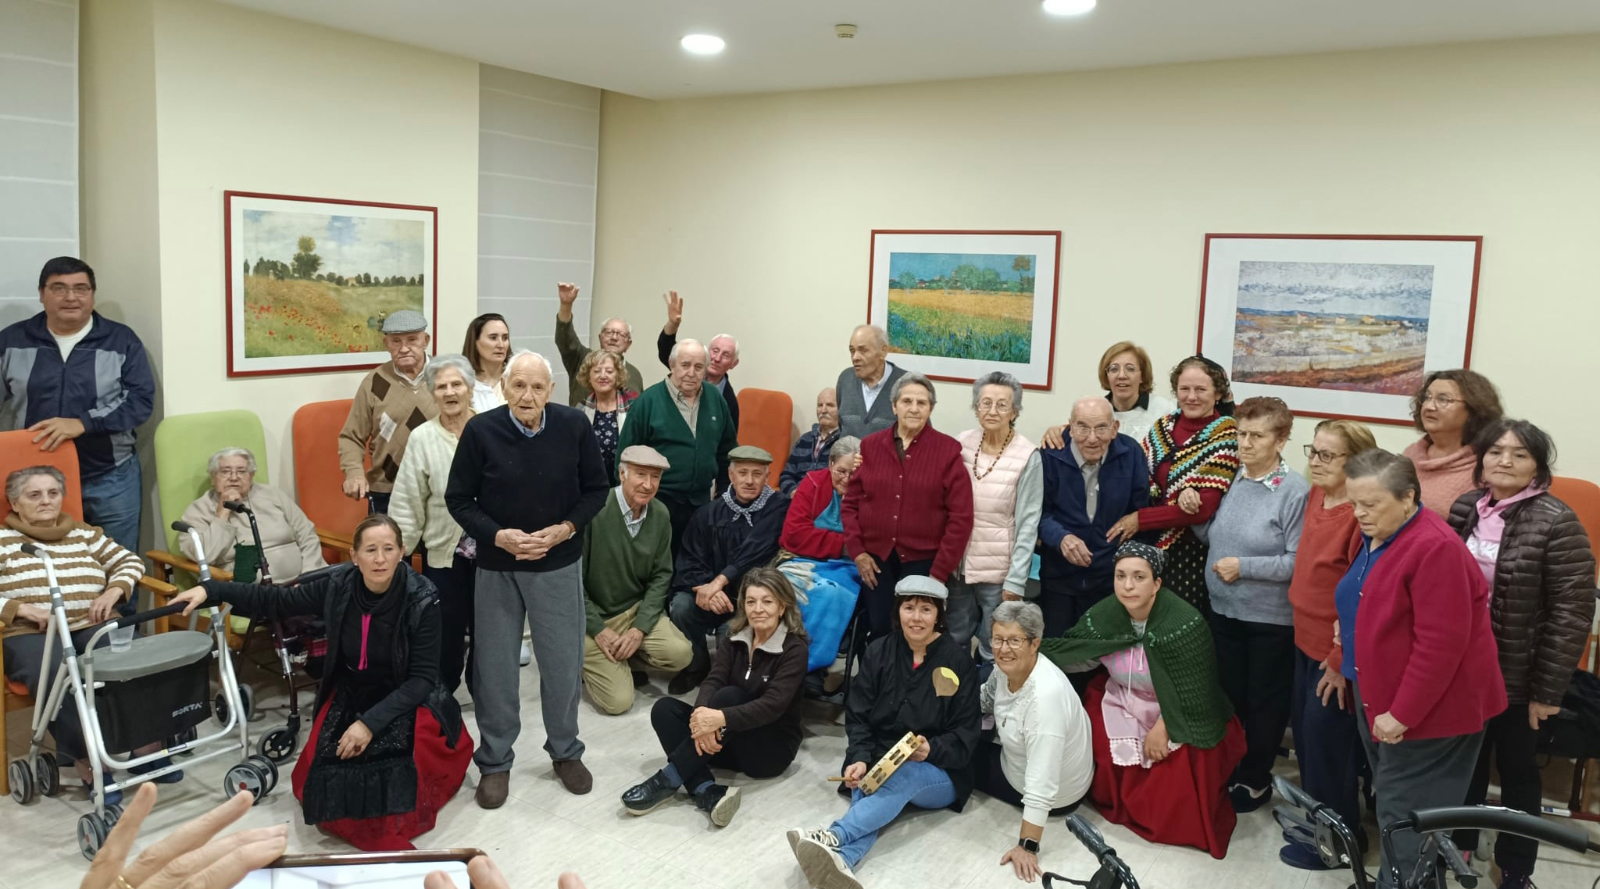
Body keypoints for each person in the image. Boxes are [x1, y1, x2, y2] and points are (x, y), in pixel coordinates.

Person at [171, 514, 472, 851]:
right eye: (370, 549)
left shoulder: (422, 597)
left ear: (402, 551)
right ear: (354, 556)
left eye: (389, 548)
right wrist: (211, 589)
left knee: (389, 795)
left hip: (405, 695)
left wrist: (368, 725)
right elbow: (276, 601)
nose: (380, 558)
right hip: (353, 688)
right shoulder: (338, 585)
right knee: (327, 773)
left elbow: (421, 680)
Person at [445, 350, 609, 805]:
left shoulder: (574, 427)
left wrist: (566, 529)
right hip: (499, 565)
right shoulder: (481, 431)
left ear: (551, 392)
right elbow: (458, 500)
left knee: (562, 663)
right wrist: (499, 536)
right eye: (519, 385)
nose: (528, 395)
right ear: (504, 387)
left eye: (538, 387)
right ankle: (495, 761)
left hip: (558, 563)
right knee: (494, 668)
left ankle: (565, 751)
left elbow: (597, 489)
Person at [1336, 449, 1505, 888]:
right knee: (1399, 812)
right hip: (1377, 692)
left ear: (1409, 496)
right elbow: (1367, 594)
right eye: (1354, 502)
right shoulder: (1375, 533)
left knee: (1408, 825)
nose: (1359, 513)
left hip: (1430, 713)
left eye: (1371, 504)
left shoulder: (1434, 548)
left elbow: (1441, 645)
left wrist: (1403, 715)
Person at [1447, 420, 1595, 889]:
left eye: (1519, 454)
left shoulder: (1556, 519)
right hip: (1460, 669)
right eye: (1495, 452)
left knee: (1516, 771)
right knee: (1463, 764)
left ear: (1538, 466)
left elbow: (1573, 613)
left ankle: (1515, 867)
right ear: (1481, 459)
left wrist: (1548, 691)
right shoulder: (1466, 507)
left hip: (1519, 675)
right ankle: (1460, 845)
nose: (1504, 462)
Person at [1040, 542, 1246, 858]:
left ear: (1157, 583)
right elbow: (1080, 654)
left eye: (1139, 577)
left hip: (1176, 707)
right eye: (1120, 576)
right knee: (1094, 733)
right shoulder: (1106, 613)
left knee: (1178, 765)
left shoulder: (1184, 623)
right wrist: (1035, 656)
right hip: (1124, 697)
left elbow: (1197, 687)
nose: (1127, 586)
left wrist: (1164, 727)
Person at [787, 576, 981, 889]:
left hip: (939, 770)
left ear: (939, 616)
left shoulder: (959, 663)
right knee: (871, 781)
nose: (916, 618)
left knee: (905, 773)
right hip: (881, 760)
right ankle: (842, 861)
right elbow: (859, 715)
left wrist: (932, 749)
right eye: (909, 608)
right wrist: (860, 758)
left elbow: (967, 733)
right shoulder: (879, 651)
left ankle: (832, 835)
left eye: (926, 610)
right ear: (897, 611)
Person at [0, 465, 159, 800]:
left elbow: (129, 562)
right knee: (60, 673)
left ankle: (147, 748)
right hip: (31, 632)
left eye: (53, 493)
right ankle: (88, 762)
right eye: (34, 494)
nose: (46, 500)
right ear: (14, 503)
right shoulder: (4, 541)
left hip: (90, 621)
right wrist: (20, 609)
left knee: (139, 657)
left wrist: (113, 591)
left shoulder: (85, 533)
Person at [623, 567, 809, 827]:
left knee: (730, 696)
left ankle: (667, 780)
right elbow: (713, 680)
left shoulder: (794, 648)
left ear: (782, 606)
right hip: (726, 741)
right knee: (664, 710)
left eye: (767, 602)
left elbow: (772, 706)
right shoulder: (735, 638)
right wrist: (701, 718)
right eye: (751, 601)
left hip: (769, 750)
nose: (758, 609)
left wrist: (717, 718)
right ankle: (706, 790)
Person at [1197, 396, 1308, 813]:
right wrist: (1195, 515)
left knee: (1264, 704)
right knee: (1231, 699)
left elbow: (1298, 562)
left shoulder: (1293, 491)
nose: (1245, 443)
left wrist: (1244, 567)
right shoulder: (1234, 479)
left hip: (1269, 620)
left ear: (1280, 440)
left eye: (1257, 436)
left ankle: (1256, 779)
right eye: (1241, 434)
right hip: (1224, 611)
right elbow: (1214, 538)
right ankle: (1230, 769)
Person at [0, 257, 155, 552]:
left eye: (80, 288)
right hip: (33, 481)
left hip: (110, 476)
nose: (71, 297)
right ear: (41, 293)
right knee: (39, 569)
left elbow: (140, 401)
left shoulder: (122, 340)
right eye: (59, 288)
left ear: (92, 294)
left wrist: (85, 422)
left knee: (118, 566)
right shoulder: (11, 340)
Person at [1278, 418, 1378, 870]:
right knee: (1308, 741)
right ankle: (1321, 826)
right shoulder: (1318, 493)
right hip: (1303, 638)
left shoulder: (1360, 516)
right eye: (1313, 451)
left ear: (1354, 462)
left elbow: (1363, 596)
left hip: (1334, 653)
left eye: (1327, 455)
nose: (1314, 462)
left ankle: (1341, 842)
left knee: (1330, 748)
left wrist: (1341, 661)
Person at [843, 371, 974, 639]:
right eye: (907, 401)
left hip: (925, 561)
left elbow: (961, 518)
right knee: (880, 628)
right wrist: (857, 552)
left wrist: (939, 572)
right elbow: (850, 505)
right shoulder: (870, 446)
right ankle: (879, 681)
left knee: (917, 634)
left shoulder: (948, 450)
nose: (914, 408)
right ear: (894, 406)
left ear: (931, 408)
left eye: (922, 403)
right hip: (875, 560)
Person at [1107, 356, 1239, 613]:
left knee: (1177, 630)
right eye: (1184, 389)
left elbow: (1202, 509)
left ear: (1217, 393)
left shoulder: (1225, 435)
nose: (1191, 397)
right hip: (1149, 546)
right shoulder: (1163, 427)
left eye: (1200, 390)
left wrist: (1140, 519)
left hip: (1191, 555)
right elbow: (1142, 478)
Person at [977, 601, 1094, 883]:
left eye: (1015, 640)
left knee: (957, 754)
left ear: (1035, 643)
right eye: (998, 639)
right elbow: (985, 699)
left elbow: (1042, 784)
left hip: (1057, 797)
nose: (1003, 649)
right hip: (1030, 761)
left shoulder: (1044, 701)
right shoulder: (1007, 667)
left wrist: (1028, 846)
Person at [666, 446, 788, 694]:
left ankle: (722, 677)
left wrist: (720, 582)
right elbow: (689, 560)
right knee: (681, 606)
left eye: (757, 474)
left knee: (728, 638)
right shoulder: (709, 512)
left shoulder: (779, 508)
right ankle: (695, 666)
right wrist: (710, 589)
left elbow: (755, 551)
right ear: (731, 476)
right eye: (743, 473)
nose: (750, 480)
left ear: (767, 477)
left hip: (750, 600)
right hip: (712, 596)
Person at [580, 445, 692, 714]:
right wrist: (598, 629)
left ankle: (627, 655)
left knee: (681, 654)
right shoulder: (593, 510)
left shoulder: (660, 514)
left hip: (633, 610)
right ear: (622, 473)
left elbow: (661, 575)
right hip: (591, 618)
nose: (648, 484)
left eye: (655, 477)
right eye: (640, 475)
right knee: (618, 703)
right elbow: (572, 583)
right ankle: (583, 662)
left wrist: (639, 628)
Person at [391, 354, 479, 693]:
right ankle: (441, 700)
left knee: (489, 632)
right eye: (441, 386)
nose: (449, 392)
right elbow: (407, 500)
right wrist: (397, 553)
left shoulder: (490, 428)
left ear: (470, 388)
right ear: (432, 393)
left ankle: (485, 695)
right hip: (445, 555)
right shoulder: (423, 438)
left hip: (494, 553)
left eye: (456, 384)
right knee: (446, 632)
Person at [950, 372, 1041, 666]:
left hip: (1000, 572)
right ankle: (956, 702)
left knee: (996, 645)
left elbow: (1028, 523)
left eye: (1002, 405)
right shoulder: (961, 443)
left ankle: (992, 708)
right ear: (976, 407)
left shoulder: (1028, 456)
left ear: (1014, 411)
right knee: (955, 637)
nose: (992, 410)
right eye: (985, 402)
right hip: (959, 565)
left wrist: (1016, 580)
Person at [1037, 397, 1149, 635]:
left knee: (1102, 653)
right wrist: (1061, 538)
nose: (1091, 438)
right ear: (1070, 426)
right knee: (1058, 648)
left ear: (1115, 428)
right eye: (1083, 427)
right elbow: (1037, 513)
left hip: (1111, 578)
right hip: (1059, 576)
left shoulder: (1131, 454)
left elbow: (1141, 512)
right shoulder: (1050, 454)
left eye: (1101, 428)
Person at [615, 337, 737, 555]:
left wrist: (724, 497)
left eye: (699, 367)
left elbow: (727, 451)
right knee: (658, 563)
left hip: (701, 502)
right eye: (685, 365)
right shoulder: (648, 401)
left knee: (694, 562)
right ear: (672, 365)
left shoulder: (716, 400)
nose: (691, 373)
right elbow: (625, 456)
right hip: (657, 502)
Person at [339, 309, 438, 514]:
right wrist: (354, 473)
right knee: (389, 546)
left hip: (440, 489)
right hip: (387, 490)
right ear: (386, 344)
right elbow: (351, 436)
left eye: (412, 340)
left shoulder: (446, 376)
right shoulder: (374, 382)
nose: (404, 348)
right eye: (396, 341)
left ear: (425, 341)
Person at [779, 436, 865, 673]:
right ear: (830, 465)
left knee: (828, 593)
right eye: (841, 471)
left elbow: (869, 541)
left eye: (853, 473)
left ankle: (810, 666)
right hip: (801, 560)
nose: (847, 479)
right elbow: (793, 535)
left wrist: (826, 542)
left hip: (847, 568)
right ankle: (772, 659)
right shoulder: (812, 484)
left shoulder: (869, 493)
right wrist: (844, 545)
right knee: (776, 589)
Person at [179, 447, 326, 583]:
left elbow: (307, 535)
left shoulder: (273, 495)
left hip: (303, 582)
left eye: (242, 471)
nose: (234, 477)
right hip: (252, 593)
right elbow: (205, 556)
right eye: (225, 471)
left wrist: (308, 576)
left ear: (251, 475)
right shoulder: (198, 510)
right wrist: (222, 513)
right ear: (213, 477)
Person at [1401, 369, 1503, 518]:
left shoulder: (1487, 466)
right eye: (1427, 397)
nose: (1429, 406)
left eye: (1443, 400)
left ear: (1473, 409)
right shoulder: (1411, 454)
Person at [1041, 341, 1176, 448]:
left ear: (1142, 376)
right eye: (1114, 369)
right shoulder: (1095, 410)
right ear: (1107, 376)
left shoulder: (1165, 410)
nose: (1121, 376)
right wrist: (1058, 432)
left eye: (1130, 369)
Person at [656, 290, 742, 431]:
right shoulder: (688, 372)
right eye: (714, 351)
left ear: (734, 364)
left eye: (726, 355)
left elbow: (728, 441)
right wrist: (673, 324)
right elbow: (666, 350)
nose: (717, 358)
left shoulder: (729, 401)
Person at [554, 282, 644, 405]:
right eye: (609, 332)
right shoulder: (582, 359)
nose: (614, 337)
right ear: (600, 337)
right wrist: (566, 305)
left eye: (621, 334)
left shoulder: (634, 374)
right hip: (583, 423)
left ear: (628, 344)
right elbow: (565, 339)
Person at [576, 348, 638, 487]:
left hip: (625, 485)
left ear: (618, 375)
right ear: (588, 377)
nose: (603, 376)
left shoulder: (634, 407)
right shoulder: (580, 410)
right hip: (590, 486)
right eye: (597, 371)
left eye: (609, 371)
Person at [835, 324, 906, 440]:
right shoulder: (845, 380)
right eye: (852, 351)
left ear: (883, 351)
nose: (855, 357)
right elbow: (841, 426)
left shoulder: (907, 384)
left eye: (863, 351)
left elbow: (921, 438)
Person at [779, 387, 842, 495]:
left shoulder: (843, 442)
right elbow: (786, 475)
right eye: (820, 405)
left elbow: (844, 482)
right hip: (797, 500)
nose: (823, 410)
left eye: (830, 405)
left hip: (827, 504)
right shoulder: (804, 440)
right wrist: (794, 492)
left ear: (841, 409)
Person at [461, 313, 509, 411]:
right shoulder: (463, 383)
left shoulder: (516, 378)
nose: (501, 345)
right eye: (493, 338)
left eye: (505, 338)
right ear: (475, 342)